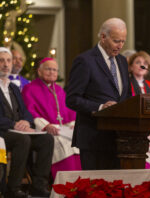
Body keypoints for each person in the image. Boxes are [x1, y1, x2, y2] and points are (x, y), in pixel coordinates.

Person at [66, 18, 132, 170]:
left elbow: (126, 96)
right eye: (116, 41)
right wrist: (100, 107)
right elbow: (72, 99)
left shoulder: (122, 61)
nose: (120, 45)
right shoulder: (85, 61)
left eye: (123, 41)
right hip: (93, 138)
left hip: (119, 138)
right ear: (103, 37)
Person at [0, 47, 53, 197]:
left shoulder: (13, 88)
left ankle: (38, 185)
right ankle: (13, 188)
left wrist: (26, 122)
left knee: (46, 139)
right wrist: (13, 124)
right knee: (22, 140)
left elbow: (26, 111)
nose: (6, 64)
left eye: (8, 61)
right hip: (3, 132)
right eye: (1, 60)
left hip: (18, 131)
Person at [22, 57, 81, 179]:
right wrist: (45, 125)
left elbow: (70, 110)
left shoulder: (59, 90)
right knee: (62, 143)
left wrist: (73, 123)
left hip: (63, 129)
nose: (52, 72)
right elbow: (29, 111)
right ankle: (65, 183)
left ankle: (79, 182)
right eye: (48, 69)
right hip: (44, 130)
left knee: (76, 142)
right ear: (39, 71)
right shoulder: (30, 88)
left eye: (55, 70)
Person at [128, 51, 150, 168]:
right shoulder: (126, 85)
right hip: (133, 127)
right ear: (130, 67)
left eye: (145, 63)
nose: (142, 65)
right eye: (138, 62)